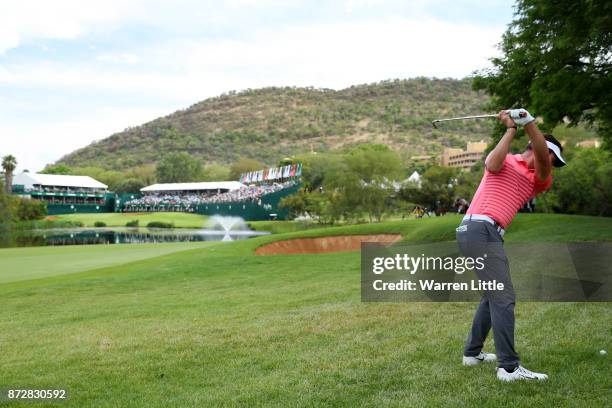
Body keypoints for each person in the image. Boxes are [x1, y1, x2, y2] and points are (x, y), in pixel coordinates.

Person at [456, 108, 566, 382]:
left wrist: (527, 122)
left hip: (485, 233)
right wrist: (510, 129)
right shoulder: (506, 159)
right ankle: (508, 368)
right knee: (504, 299)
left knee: (491, 295)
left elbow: (540, 157)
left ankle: (472, 353)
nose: (553, 165)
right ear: (551, 153)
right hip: (477, 228)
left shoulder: (539, 178)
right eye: (556, 159)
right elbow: (492, 165)